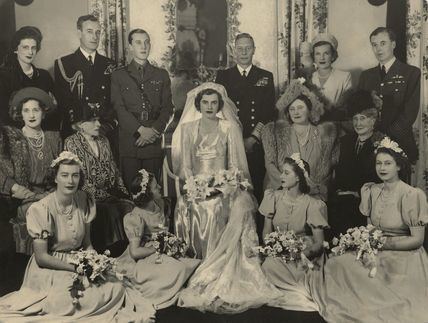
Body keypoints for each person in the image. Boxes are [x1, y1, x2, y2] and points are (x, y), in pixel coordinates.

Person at [0, 151, 155, 322]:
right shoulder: (41, 208)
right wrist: (75, 268)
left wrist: (96, 262)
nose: (70, 181)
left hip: (80, 259)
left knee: (114, 287)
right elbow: (41, 257)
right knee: (76, 299)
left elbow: (87, 243)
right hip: (51, 268)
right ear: (55, 178)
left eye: (75, 175)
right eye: (64, 175)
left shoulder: (83, 200)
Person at [172, 82, 280, 313]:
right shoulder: (188, 128)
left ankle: (217, 267)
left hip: (225, 186)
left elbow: (235, 166)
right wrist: (194, 187)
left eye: (214, 102)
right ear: (198, 105)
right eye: (205, 102)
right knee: (187, 204)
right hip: (197, 186)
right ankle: (196, 263)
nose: (209, 106)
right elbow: (186, 167)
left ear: (220, 105)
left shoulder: (229, 127)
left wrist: (222, 187)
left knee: (222, 206)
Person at [309, 137, 428, 323]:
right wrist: (364, 241)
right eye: (379, 163)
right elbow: (369, 228)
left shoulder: (411, 195)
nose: (382, 168)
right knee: (336, 263)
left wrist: (383, 244)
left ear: (398, 166)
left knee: (383, 290)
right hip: (374, 248)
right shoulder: (371, 190)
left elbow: (417, 240)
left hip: (404, 255)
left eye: (388, 163)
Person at [116, 169, 200, 310]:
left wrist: (171, 243)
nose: (160, 187)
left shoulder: (159, 204)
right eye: (156, 187)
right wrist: (158, 247)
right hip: (146, 254)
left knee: (193, 264)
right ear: (147, 193)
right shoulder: (135, 217)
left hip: (163, 247)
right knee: (178, 268)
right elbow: (135, 252)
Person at [260, 154, 328, 312]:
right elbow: (266, 230)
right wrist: (271, 247)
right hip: (278, 250)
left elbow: (319, 243)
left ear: (298, 178)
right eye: (281, 172)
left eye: (286, 173)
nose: (281, 176)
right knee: (268, 266)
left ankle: (299, 290)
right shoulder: (273, 197)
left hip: (303, 250)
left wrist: (303, 254)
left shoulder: (312, 204)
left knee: (301, 273)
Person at [215, 33, 275, 202]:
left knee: (255, 187)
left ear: (254, 50)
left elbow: (268, 112)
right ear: (234, 51)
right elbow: (220, 111)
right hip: (231, 141)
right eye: (240, 48)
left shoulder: (265, 75)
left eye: (248, 48)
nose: (243, 52)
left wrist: (253, 138)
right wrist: (237, 139)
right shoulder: (223, 77)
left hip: (256, 143)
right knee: (231, 189)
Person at [111, 29, 173, 189]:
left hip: (153, 142)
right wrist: (140, 130)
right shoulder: (119, 75)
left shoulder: (161, 75)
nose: (143, 46)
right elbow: (118, 108)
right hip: (130, 141)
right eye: (138, 42)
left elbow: (167, 108)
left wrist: (153, 131)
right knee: (132, 192)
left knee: (152, 191)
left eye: (146, 42)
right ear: (130, 47)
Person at [2, 87, 61, 255]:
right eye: (26, 111)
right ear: (20, 114)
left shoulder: (54, 137)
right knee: (41, 211)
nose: (31, 115)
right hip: (25, 199)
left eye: (36, 110)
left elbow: (61, 171)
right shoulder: (12, 138)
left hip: (52, 194)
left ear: (43, 112)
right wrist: (14, 189)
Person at [64, 102, 130, 252]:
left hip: (110, 194)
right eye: (93, 120)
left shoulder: (104, 141)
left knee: (127, 206)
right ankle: (110, 253)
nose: (98, 124)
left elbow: (114, 169)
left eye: (98, 119)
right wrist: (103, 196)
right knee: (109, 211)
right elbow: (79, 179)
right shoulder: (71, 143)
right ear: (80, 124)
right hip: (87, 196)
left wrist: (122, 191)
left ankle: (127, 252)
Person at [261, 78, 338, 201]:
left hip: (312, 194)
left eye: (300, 107)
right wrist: (287, 187)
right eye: (292, 109)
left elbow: (327, 169)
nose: (296, 112)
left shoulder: (323, 134)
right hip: (282, 192)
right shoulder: (276, 134)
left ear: (309, 110)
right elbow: (270, 166)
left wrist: (311, 189)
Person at [358, 27, 421, 163]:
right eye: (374, 45)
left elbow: (410, 113)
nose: (378, 49)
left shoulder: (411, 73)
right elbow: (360, 110)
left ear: (393, 44)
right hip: (370, 144)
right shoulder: (366, 76)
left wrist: (385, 138)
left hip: (399, 144)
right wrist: (371, 138)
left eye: (383, 43)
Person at [329, 90, 384, 237]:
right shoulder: (346, 142)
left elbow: (383, 180)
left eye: (363, 118)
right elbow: (338, 174)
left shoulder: (382, 143)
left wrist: (356, 193)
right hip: (342, 201)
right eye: (355, 119)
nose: (358, 123)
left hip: (368, 204)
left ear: (373, 120)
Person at [55, 15, 117, 139]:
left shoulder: (110, 65)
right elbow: (63, 101)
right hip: (76, 131)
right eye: (89, 32)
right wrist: (82, 124)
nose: (95, 37)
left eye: (98, 32)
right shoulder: (64, 63)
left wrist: (103, 126)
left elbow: (114, 101)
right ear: (79, 33)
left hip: (104, 130)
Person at [0, 26, 58, 130]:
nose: (30, 52)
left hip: (43, 133)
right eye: (25, 47)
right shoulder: (4, 77)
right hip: (16, 135)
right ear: (16, 49)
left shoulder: (44, 76)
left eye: (33, 48)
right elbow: (3, 115)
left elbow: (53, 110)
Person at [310, 33, 352, 123]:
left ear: (333, 56)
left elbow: (346, 107)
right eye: (317, 54)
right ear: (313, 57)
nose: (322, 58)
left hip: (335, 124)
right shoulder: (309, 77)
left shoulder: (344, 76)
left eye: (326, 53)